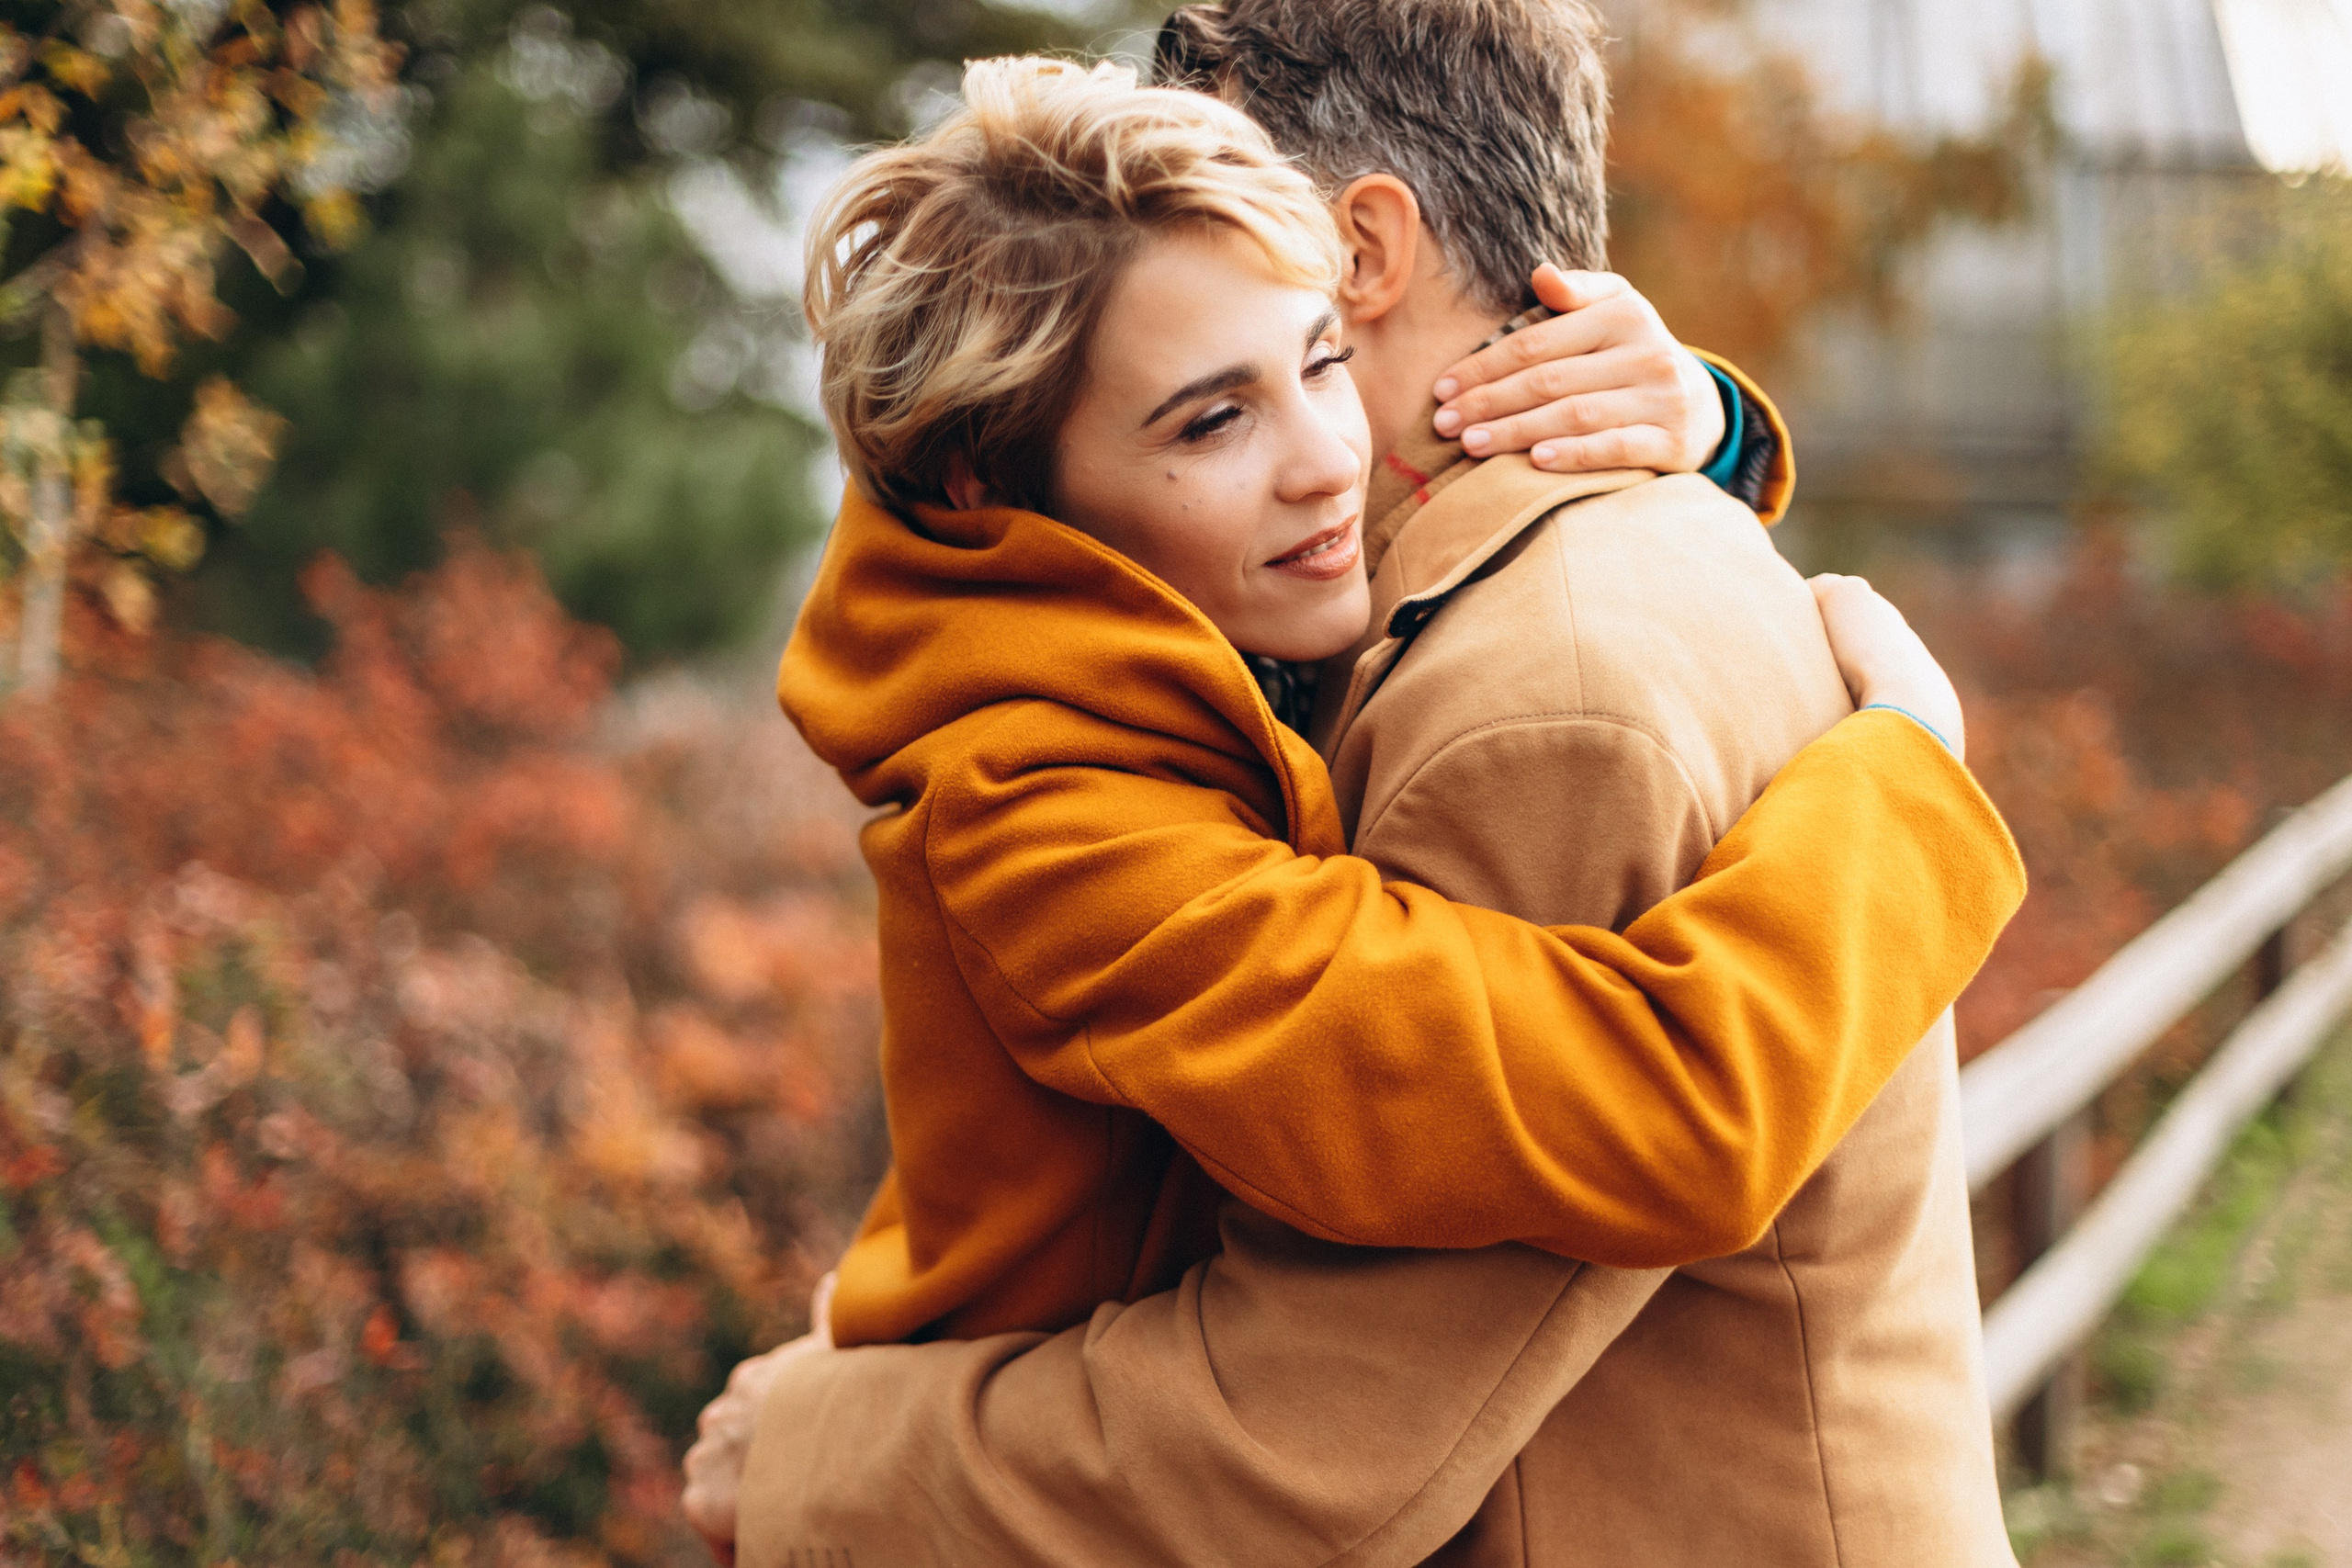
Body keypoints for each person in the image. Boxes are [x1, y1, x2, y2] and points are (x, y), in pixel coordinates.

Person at [693, 35, 2022, 1567]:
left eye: (1319, 351)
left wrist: (1712, 417)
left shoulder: (1230, 645)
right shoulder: (1057, 816)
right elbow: (1668, 1102)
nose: (1330, 459)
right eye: (1211, 419)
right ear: (1004, 485)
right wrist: (1912, 775)